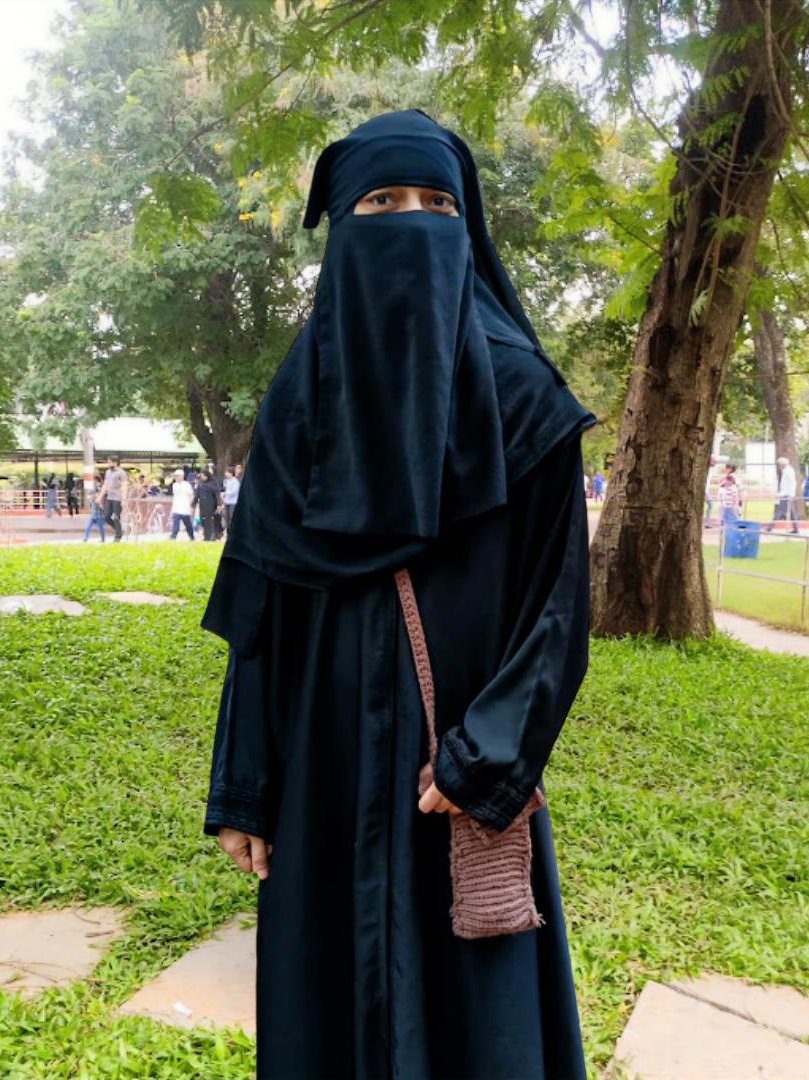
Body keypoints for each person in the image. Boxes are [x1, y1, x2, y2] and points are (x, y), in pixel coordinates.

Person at [200, 110, 596, 1080]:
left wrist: (485, 758)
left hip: (449, 776)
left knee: (476, 1028)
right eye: (381, 203)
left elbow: (555, 608)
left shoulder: (520, 398)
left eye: (437, 204)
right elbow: (262, 608)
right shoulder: (300, 404)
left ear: (469, 231)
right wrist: (245, 782)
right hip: (321, 765)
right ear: (340, 233)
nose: (411, 222)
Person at [765, 455, 799, 534]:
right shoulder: (787, 470)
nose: (779, 466)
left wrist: (785, 494)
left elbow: (791, 484)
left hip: (787, 495)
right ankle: (796, 528)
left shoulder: (788, 471)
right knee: (791, 512)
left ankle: (769, 528)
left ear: (782, 464)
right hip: (787, 494)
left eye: (779, 464)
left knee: (779, 511)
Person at [97, 456, 127, 542]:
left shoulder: (121, 473)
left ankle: (118, 537)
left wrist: (124, 499)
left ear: (115, 463)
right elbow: (105, 485)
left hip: (118, 498)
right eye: (108, 462)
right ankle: (120, 531)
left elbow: (124, 486)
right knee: (106, 517)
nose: (108, 464)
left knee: (116, 517)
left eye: (110, 462)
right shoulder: (107, 472)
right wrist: (100, 496)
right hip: (109, 497)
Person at [192, 468, 221, 541]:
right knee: (202, 520)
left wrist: (218, 504)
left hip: (210, 504)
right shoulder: (200, 483)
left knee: (209, 520)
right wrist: (193, 504)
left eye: (204, 476)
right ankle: (206, 535)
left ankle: (210, 537)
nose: (202, 477)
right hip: (202, 504)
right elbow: (197, 494)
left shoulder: (213, 482)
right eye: (201, 476)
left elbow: (217, 494)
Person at [169, 468, 195, 540]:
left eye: (178, 476)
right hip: (176, 508)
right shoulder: (174, 485)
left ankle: (192, 537)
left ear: (182, 476)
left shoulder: (186, 485)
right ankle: (173, 537)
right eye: (175, 476)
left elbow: (191, 495)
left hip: (185, 508)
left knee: (188, 524)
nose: (176, 478)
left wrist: (190, 505)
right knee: (175, 524)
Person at [222, 467, 240, 531]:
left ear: (231, 473)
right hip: (227, 502)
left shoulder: (235, 481)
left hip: (233, 502)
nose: (225, 474)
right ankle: (228, 530)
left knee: (232, 517)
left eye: (227, 473)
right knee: (226, 517)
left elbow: (234, 491)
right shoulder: (226, 481)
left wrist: (226, 493)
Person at [703, 454, 717, 527]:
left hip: (705, 491)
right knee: (710, 505)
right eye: (713, 460)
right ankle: (707, 523)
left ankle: (707, 523)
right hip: (703, 491)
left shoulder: (710, 469)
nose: (715, 461)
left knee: (710, 505)